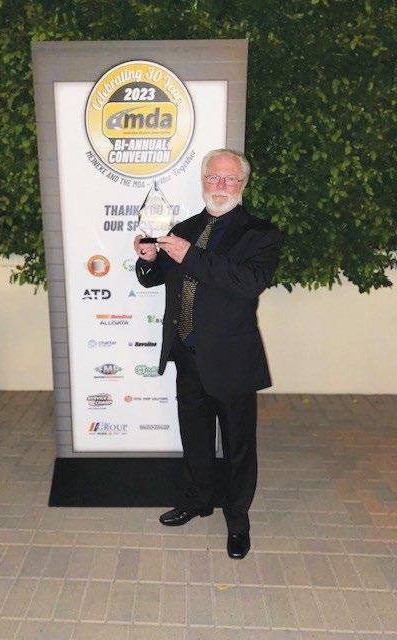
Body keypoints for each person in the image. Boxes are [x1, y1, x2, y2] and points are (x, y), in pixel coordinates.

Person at [133, 149, 283, 559]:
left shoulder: (260, 233)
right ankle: (197, 499)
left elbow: (248, 282)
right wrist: (148, 260)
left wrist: (190, 255)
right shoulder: (183, 228)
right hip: (187, 353)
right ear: (203, 180)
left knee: (237, 447)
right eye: (214, 177)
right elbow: (158, 278)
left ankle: (237, 521)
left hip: (232, 360)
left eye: (230, 179)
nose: (221, 185)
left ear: (243, 184)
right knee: (195, 436)